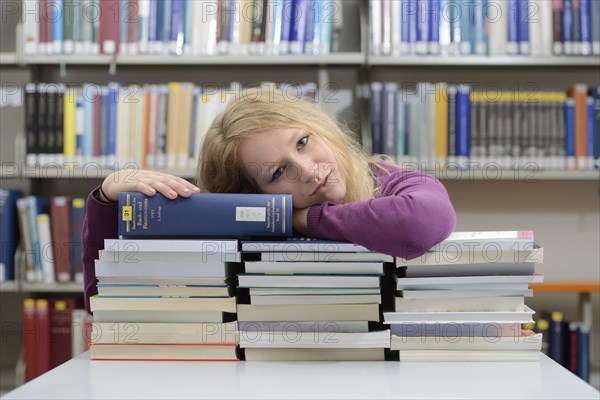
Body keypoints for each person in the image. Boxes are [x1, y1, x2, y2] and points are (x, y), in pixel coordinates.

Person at [82, 88, 456, 313]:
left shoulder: (386, 179)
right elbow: (108, 306)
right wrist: (105, 201)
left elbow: (422, 221)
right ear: (252, 197)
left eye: (304, 142)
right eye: (278, 173)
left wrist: (299, 220)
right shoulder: (241, 227)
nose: (309, 172)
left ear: (321, 127)